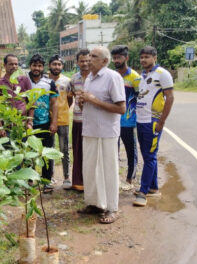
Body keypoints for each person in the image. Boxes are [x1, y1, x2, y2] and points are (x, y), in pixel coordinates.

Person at [77, 46, 125, 224]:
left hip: (106, 132)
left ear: (104, 61)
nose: (89, 59)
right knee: (90, 169)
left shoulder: (112, 77)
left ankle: (112, 208)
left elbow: (121, 108)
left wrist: (93, 100)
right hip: (90, 130)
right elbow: (88, 104)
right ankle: (94, 203)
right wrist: (82, 102)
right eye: (89, 55)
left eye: (94, 56)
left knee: (108, 170)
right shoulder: (89, 78)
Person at [133, 46, 174, 207]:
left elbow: (170, 98)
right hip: (140, 120)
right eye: (142, 57)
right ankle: (153, 187)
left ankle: (143, 192)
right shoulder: (143, 75)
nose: (143, 60)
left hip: (153, 121)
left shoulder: (162, 74)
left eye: (147, 57)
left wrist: (162, 121)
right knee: (147, 155)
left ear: (154, 57)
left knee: (150, 156)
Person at [27, 54, 58, 193]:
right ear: (30, 66)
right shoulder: (23, 80)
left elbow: (54, 103)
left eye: (39, 66)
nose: (36, 68)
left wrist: (54, 122)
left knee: (47, 153)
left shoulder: (49, 82)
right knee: (29, 153)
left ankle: (46, 181)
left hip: (45, 123)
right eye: (34, 65)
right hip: (28, 124)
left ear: (43, 67)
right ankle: (29, 180)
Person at [111, 45, 141, 184]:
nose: (116, 60)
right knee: (112, 151)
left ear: (126, 58)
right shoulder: (112, 76)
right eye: (114, 57)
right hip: (112, 121)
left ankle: (130, 178)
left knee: (131, 150)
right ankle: (114, 178)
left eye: (119, 57)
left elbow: (140, 98)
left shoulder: (134, 77)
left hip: (128, 121)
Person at [67, 49, 90, 191]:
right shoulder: (74, 79)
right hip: (77, 119)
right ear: (77, 62)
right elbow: (69, 97)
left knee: (91, 152)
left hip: (93, 121)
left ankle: (90, 181)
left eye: (88, 60)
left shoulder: (96, 77)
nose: (85, 63)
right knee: (77, 151)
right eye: (82, 61)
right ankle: (78, 181)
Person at [48, 55, 72, 189]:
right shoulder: (45, 80)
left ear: (62, 66)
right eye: (54, 64)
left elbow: (70, 100)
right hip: (48, 120)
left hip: (63, 120)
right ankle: (50, 176)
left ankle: (66, 177)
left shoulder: (67, 81)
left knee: (64, 149)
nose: (56, 67)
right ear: (49, 66)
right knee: (50, 149)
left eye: (59, 64)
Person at [0, 54, 32, 134]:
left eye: (16, 64)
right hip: (7, 127)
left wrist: (30, 122)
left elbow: (31, 102)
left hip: (23, 126)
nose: (14, 66)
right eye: (11, 64)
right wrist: (0, 128)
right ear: (4, 65)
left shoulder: (25, 80)